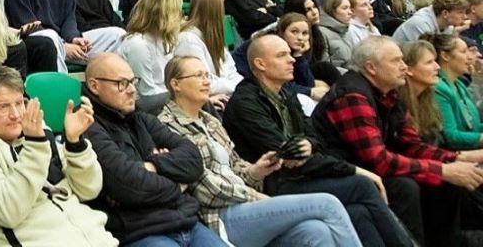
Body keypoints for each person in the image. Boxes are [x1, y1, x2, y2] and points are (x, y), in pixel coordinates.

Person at [222, 34, 413, 247]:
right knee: (363, 185)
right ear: (260, 64)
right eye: (282, 55)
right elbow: (287, 154)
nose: (292, 59)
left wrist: (309, 144)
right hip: (273, 185)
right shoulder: (245, 104)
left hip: (299, 176)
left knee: (357, 211)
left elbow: (314, 137)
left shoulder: (285, 94)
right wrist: (355, 170)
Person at [158, 56, 362, 247]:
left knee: (316, 231)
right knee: (327, 204)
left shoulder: (210, 120)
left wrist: (256, 171)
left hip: (246, 203)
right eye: (198, 76)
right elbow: (204, 188)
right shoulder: (166, 127)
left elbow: (235, 164)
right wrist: (254, 195)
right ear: (176, 84)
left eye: (207, 75)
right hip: (219, 215)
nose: (206, 81)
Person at [313, 36, 483, 247]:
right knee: (405, 186)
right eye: (396, 61)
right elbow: (378, 161)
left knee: (447, 181)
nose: (404, 66)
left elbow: (411, 145)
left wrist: (455, 159)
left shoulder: (389, 94)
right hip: (345, 173)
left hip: (369, 168)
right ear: (371, 68)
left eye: (403, 59)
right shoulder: (352, 96)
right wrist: (442, 170)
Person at [0, 65, 117, 247]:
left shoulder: (37, 140)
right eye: (3, 107)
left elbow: (89, 190)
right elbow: (7, 212)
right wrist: (35, 146)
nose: (15, 114)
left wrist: (75, 143)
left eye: (19, 103)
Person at [83, 53, 226, 247]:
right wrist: (179, 185)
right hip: (139, 232)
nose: (132, 90)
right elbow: (128, 186)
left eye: (133, 82)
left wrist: (153, 165)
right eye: (122, 84)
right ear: (94, 86)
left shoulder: (141, 118)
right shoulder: (87, 127)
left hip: (186, 221)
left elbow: (193, 159)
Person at [118, 0, 183, 111]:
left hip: (165, 102)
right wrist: (186, 95)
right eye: (177, 11)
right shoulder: (137, 44)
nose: (181, 17)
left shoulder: (166, 39)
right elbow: (145, 94)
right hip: (143, 108)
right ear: (164, 13)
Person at [176, 0, 242, 101]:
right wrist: (235, 86)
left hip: (226, 94)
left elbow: (232, 71)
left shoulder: (213, 37)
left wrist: (239, 85)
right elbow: (202, 82)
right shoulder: (188, 39)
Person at [425, 33, 483, 149]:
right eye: (463, 51)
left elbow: (474, 126)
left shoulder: (459, 84)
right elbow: (451, 136)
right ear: (445, 56)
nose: (469, 57)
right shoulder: (438, 88)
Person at [398, 40, 444, 144]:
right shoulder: (398, 104)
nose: (437, 67)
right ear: (408, 69)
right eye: (429, 62)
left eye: (435, 61)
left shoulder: (428, 100)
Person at [393, 0, 470, 44]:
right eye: (460, 12)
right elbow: (428, 54)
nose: (465, 16)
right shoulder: (420, 23)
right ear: (445, 13)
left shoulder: (447, 26)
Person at [318, 0, 354, 71]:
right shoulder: (321, 32)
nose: (350, 12)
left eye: (350, 8)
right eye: (345, 8)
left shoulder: (347, 30)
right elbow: (325, 67)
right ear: (332, 10)